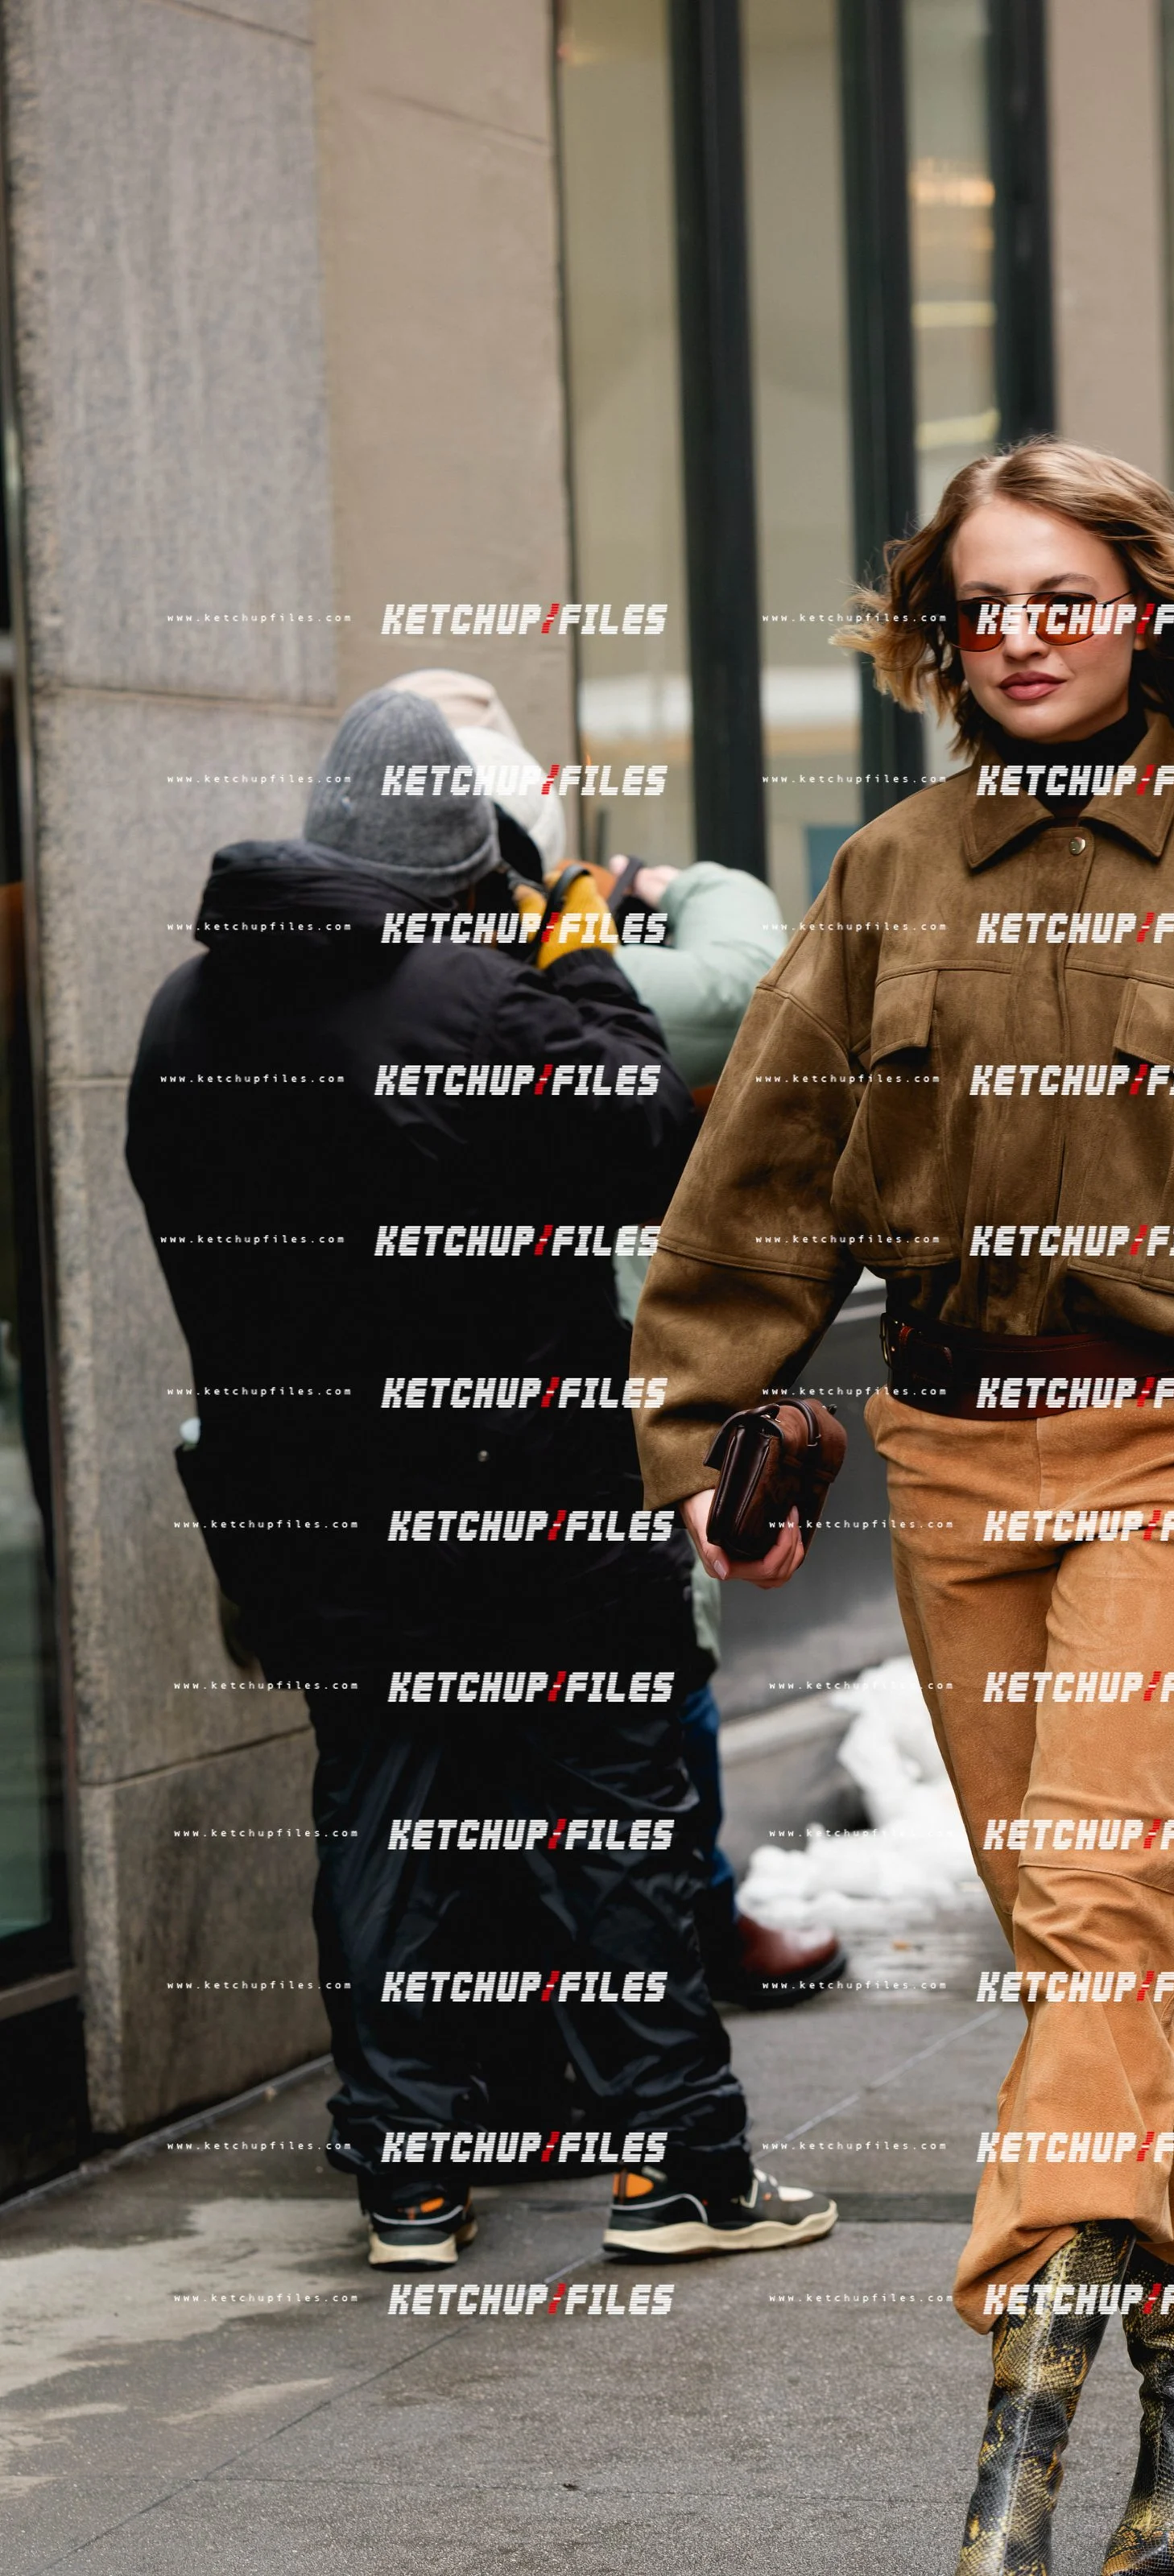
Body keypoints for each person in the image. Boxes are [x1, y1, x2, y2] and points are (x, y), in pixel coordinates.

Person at [629, 439, 1174, 2576]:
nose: (1018, 633)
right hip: (960, 1464)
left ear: (1145, 615)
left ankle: (1025, 2410)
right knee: (1088, 1949)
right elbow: (764, 1173)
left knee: (1099, 1896)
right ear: (938, 627)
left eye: (1059, 595)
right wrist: (705, 1417)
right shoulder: (888, 870)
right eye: (980, 602)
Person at [126, 683, 835, 2268]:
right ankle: (679, 2180)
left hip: (310, 1515)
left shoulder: (187, 1015)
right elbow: (648, 1122)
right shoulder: (484, 1001)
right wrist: (573, 940)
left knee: (380, 1823)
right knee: (613, 1826)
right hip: (527, 1501)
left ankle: (410, 2186)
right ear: (464, 861)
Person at [388, 667, 846, 2014]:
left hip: (427, 1435)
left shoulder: (323, 988)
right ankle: (677, 1961)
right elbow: (753, 967)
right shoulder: (530, 980)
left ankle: (506, 2045)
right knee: (648, 1679)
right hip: (558, 1408)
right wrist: (641, 884)